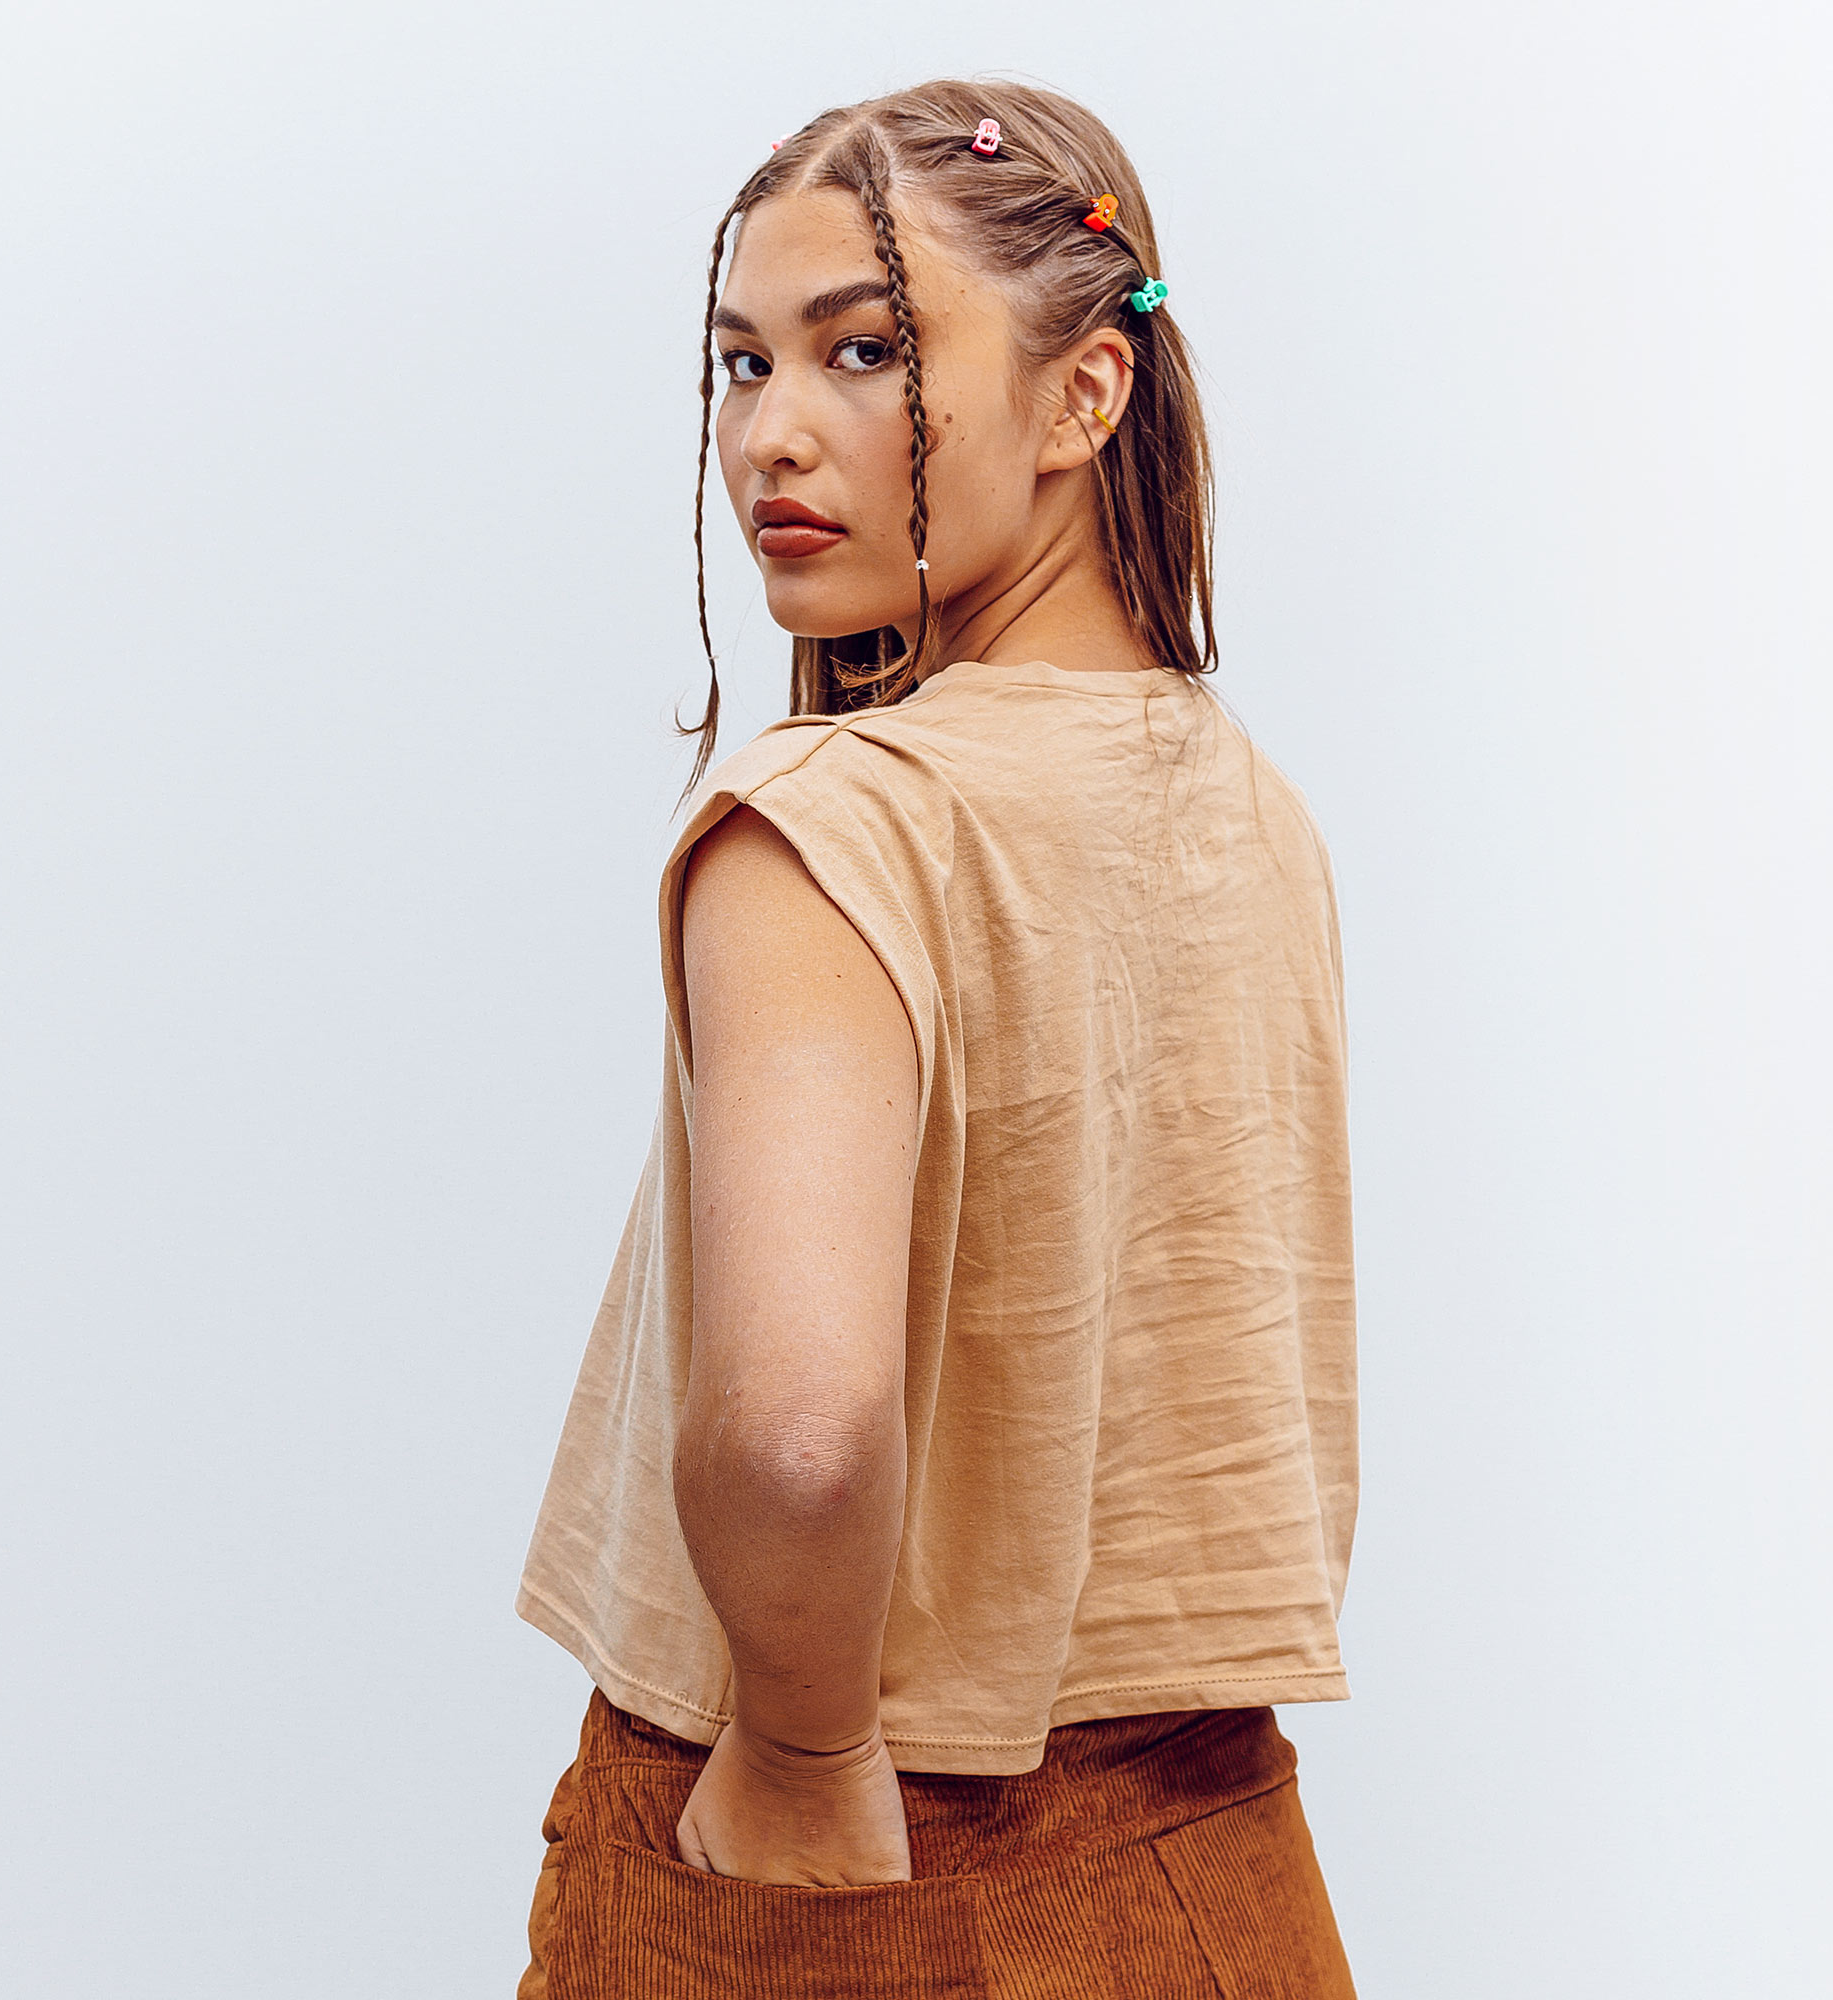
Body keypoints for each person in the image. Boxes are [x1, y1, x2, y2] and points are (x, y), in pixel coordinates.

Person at [514, 79, 1360, 1998]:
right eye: (742, 362)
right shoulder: (1249, 811)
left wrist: (806, 1753)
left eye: (865, 350)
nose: (770, 435)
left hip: (841, 1863)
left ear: (1084, 397)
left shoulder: (840, 821)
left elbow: (798, 1432)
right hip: (1217, 1865)